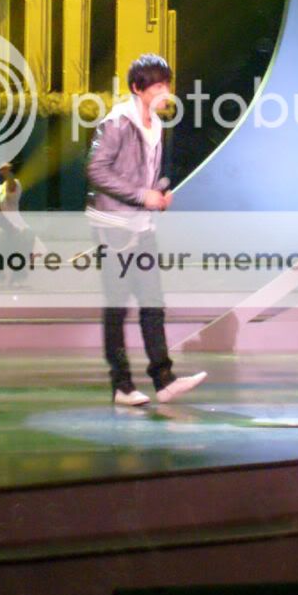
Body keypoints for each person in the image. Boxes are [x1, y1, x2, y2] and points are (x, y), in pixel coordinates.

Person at [86, 53, 207, 406]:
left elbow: (144, 174)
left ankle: (163, 379)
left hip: (141, 226)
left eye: (167, 85)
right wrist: (143, 195)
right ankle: (121, 385)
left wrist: (159, 194)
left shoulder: (155, 124)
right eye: (157, 86)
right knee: (117, 308)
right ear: (138, 89)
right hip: (113, 226)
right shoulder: (117, 122)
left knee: (152, 303)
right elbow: (96, 169)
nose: (165, 92)